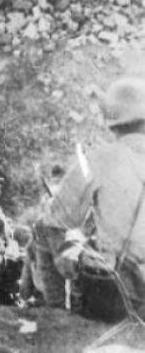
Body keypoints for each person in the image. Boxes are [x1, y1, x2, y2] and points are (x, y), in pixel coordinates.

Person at [35, 76, 145, 321]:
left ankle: (56, 316)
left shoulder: (100, 158)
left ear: (111, 121)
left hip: (117, 293)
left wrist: (72, 246)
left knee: (42, 228)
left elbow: (55, 220)